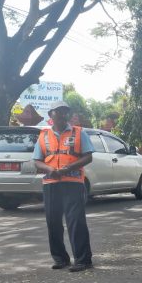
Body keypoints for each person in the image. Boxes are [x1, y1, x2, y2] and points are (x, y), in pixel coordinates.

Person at [32, 101, 95, 272]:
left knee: (76, 221)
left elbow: (88, 156)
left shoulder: (79, 132)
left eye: (65, 111)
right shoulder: (43, 135)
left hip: (73, 183)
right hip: (51, 183)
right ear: (50, 114)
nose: (62, 114)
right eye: (58, 111)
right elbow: (37, 161)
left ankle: (83, 260)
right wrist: (49, 169)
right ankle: (60, 259)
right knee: (53, 222)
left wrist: (69, 168)